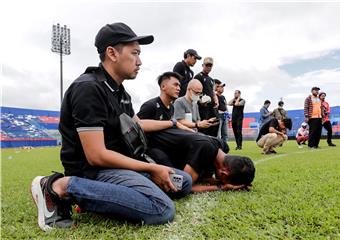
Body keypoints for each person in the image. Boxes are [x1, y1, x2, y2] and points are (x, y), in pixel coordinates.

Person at [30, 22, 192, 231]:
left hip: (119, 165)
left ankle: (104, 199)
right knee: (161, 209)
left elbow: (138, 124)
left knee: (183, 181)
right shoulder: (89, 88)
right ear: (112, 53)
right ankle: (57, 186)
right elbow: (96, 156)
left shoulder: (121, 93)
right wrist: (152, 168)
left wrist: (173, 123)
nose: (140, 61)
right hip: (93, 170)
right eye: (134, 53)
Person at [145, 128, 255, 192]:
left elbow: (205, 175)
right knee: (174, 180)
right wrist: (220, 186)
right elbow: (183, 186)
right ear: (224, 174)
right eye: (223, 179)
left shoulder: (222, 146)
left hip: (162, 139)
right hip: (148, 146)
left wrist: (210, 180)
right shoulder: (206, 149)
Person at [194, 57, 219, 137]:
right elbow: (194, 90)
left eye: (210, 66)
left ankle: (213, 145)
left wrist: (216, 100)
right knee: (204, 128)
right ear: (203, 65)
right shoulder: (198, 76)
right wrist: (200, 101)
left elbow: (212, 92)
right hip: (203, 108)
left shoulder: (211, 79)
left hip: (211, 107)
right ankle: (204, 146)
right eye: (207, 65)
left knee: (215, 125)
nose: (208, 67)